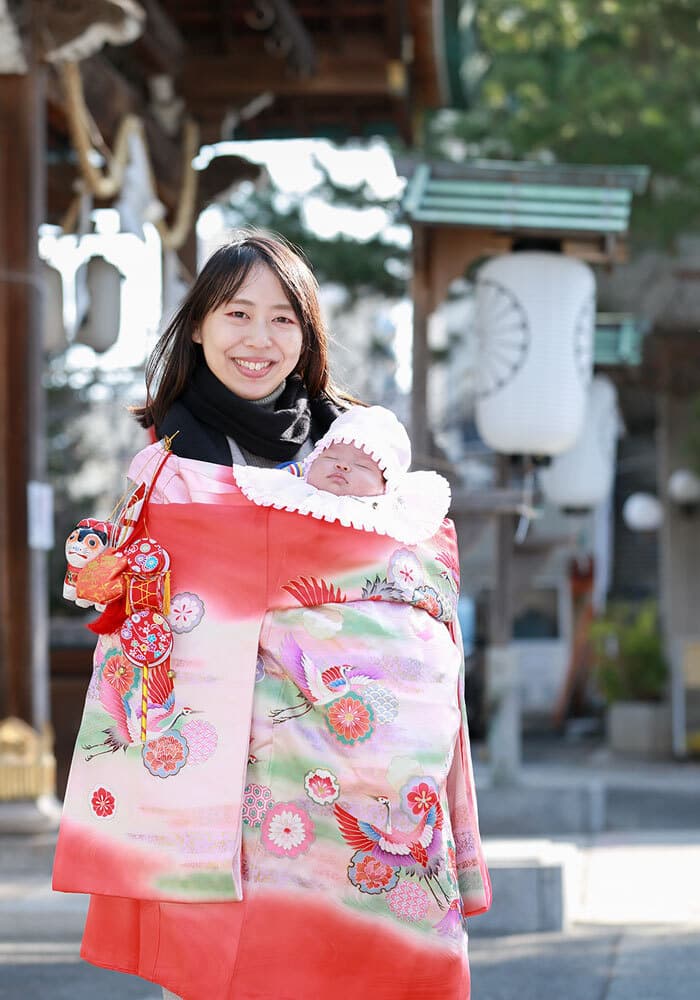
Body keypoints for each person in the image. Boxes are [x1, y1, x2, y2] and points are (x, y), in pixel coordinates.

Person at [53, 231, 491, 1000]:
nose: (258, 339)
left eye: (283, 318)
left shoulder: (351, 452)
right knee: (227, 972)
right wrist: (107, 581)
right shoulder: (166, 467)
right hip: (224, 784)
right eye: (236, 314)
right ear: (197, 326)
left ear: (308, 333)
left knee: (358, 963)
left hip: (355, 778)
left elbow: (411, 575)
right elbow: (142, 609)